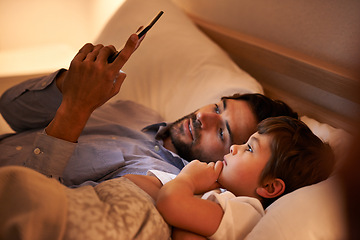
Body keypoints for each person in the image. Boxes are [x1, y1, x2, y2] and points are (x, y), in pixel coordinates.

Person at [0, 33, 298, 187]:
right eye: (219, 107)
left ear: (229, 158)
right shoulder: (135, 111)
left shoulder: (157, 180)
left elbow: (25, 204)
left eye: (221, 131)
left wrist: (76, 108)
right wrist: (70, 85)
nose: (204, 116)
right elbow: (10, 110)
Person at [125, 116, 335, 239]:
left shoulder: (244, 211)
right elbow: (140, 184)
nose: (235, 147)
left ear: (269, 186)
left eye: (250, 148)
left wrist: (188, 179)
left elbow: (170, 204)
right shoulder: (219, 192)